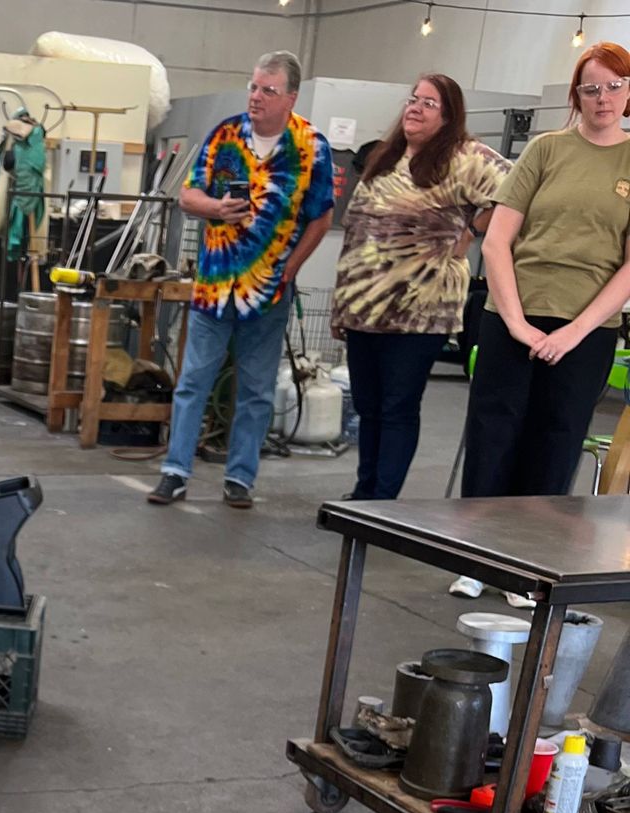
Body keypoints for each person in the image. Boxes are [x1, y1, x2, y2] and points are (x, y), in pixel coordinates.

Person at [450, 42, 630, 601]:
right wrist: (517, 321)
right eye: (590, 88)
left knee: (555, 440)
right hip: (512, 315)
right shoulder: (546, 150)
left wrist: (574, 331)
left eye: (613, 86)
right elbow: (498, 239)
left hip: (588, 327)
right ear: (576, 95)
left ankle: (525, 563)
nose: (602, 99)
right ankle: (475, 556)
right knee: (493, 431)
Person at [147, 50, 335, 509]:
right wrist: (215, 208)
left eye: (268, 90)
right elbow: (189, 195)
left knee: (256, 389)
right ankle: (175, 471)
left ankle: (240, 479)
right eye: (253, 86)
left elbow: (322, 217)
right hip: (214, 286)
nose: (256, 97)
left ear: (290, 97)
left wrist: (293, 268)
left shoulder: (311, 147)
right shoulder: (224, 136)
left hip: (269, 292)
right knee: (194, 381)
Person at [331, 74, 510, 500]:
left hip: (418, 311)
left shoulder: (465, 158)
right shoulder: (386, 158)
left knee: (396, 408)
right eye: (414, 99)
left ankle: (382, 500)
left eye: (429, 103)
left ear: (449, 116)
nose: (415, 107)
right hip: (363, 309)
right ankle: (364, 491)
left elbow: (520, 192)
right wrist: (343, 306)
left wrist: (472, 228)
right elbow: (356, 233)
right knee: (368, 406)